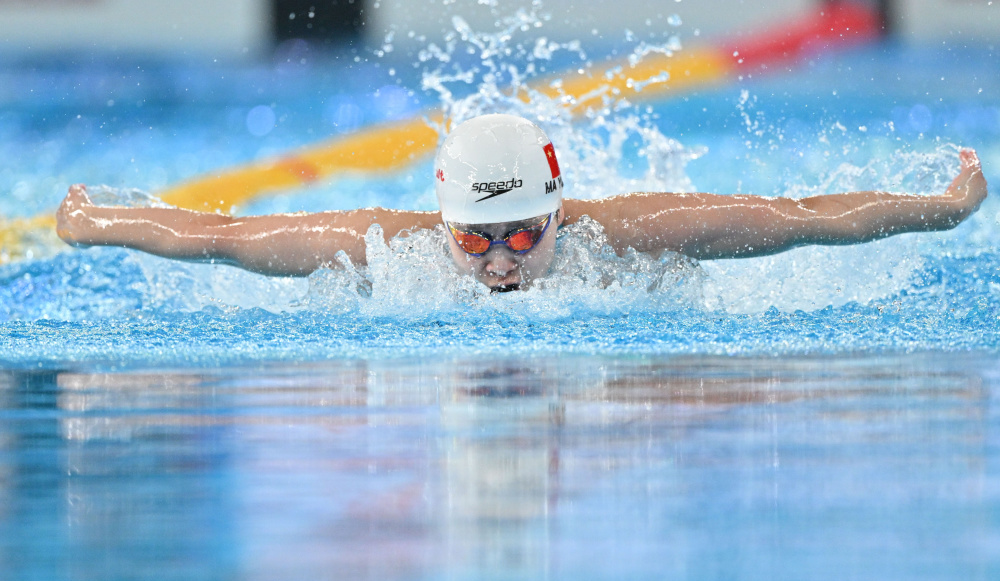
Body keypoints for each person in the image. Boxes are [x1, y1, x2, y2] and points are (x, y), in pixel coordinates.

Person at [56, 114, 988, 292]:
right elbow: (222, 235)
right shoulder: (387, 250)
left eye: (524, 236)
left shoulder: (625, 237)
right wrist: (92, 224)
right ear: (444, 224)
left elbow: (798, 220)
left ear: (559, 213)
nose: (502, 263)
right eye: (475, 241)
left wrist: (940, 208)